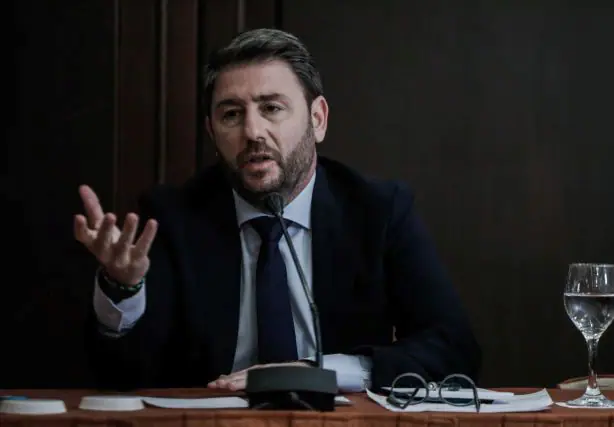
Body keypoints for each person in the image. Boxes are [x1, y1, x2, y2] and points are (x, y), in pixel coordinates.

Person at [75, 28, 481, 392]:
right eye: (231, 114)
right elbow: (122, 376)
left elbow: (454, 348)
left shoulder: (377, 211)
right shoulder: (174, 217)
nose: (252, 132)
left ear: (317, 119)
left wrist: (322, 371)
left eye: (271, 108)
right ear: (212, 132)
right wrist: (123, 290)